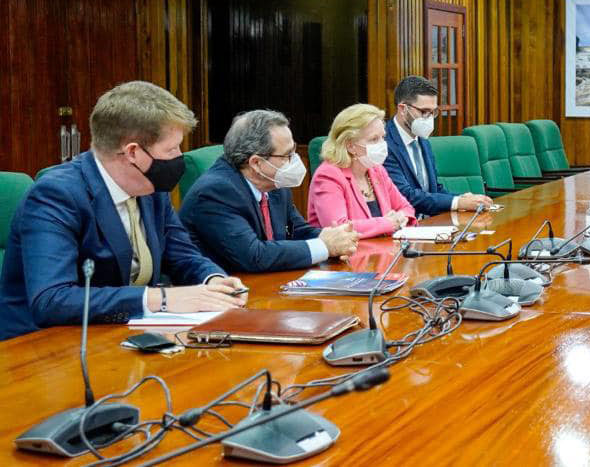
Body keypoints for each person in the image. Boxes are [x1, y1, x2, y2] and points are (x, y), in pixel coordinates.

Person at [0, 81, 248, 341]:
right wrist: (160, 298)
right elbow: (52, 300)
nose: (179, 156)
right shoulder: (57, 194)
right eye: (172, 148)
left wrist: (213, 280)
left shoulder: (150, 188)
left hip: (123, 336)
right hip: (42, 349)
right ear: (133, 152)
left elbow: (181, 253)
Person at [179, 110, 359, 273]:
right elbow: (254, 256)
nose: (294, 161)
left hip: (270, 286)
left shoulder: (274, 183)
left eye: (294, 151)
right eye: (287, 155)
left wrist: (336, 239)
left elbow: (296, 230)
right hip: (224, 293)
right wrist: (324, 246)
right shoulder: (216, 192)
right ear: (256, 163)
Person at [383, 75, 492, 217]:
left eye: (433, 112)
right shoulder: (384, 143)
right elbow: (405, 195)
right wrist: (457, 202)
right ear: (403, 109)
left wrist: (465, 199)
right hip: (403, 227)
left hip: (431, 224)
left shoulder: (423, 140)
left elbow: (433, 189)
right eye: (423, 112)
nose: (429, 118)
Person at [308, 103, 417, 239]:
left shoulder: (376, 170)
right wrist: (388, 223)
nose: (382, 144)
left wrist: (400, 218)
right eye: (374, 139)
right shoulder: (328, 176)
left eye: (383, 137)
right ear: (350, 146)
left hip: (381, 252)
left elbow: (406, 208)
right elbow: (339, 229)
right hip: (343, 258)